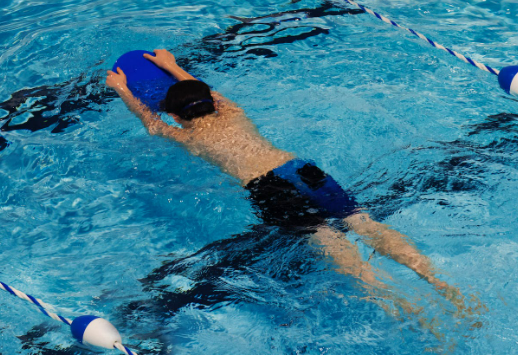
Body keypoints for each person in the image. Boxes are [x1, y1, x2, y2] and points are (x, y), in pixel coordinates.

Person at [106, 49, 467, 316]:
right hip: (301, 169)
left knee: (328, 240)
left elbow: (151, 123)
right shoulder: (234, 113)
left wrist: (123, 88)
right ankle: (441, 284)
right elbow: (207, 92)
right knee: (362, 222)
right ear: (211, 105)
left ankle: (406, 308)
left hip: (269, 188)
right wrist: (171, 66)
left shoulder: (190, 138)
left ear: (175, 115)